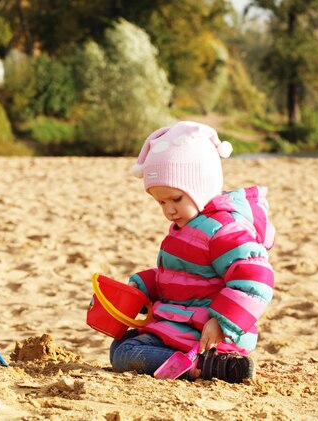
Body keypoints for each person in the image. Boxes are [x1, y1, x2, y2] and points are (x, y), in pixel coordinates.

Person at [109, 121, 275, 383]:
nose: (169, 210)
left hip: (206, 333)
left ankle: (203, 367)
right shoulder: (187, 226)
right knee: (121, 344)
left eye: (176, 199)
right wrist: (144, 286)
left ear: (201, 187)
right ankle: (201, 364)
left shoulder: (223, 230)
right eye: (161, 201)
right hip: (181, 324)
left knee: (125, 354)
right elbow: (181, 274)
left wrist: (224, 322)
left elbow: (256, 278)